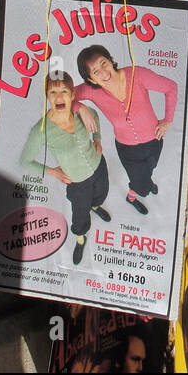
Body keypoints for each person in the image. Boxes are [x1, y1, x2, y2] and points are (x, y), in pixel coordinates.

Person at [19, 73, 111, 265]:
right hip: (77, 181)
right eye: (53, 92)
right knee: (79, 215)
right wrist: (54, 172)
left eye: (64, 91)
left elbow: (94, 116)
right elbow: (25, 161)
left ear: (72, 95)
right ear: (47, 95)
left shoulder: (80, 112)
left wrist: (97, 139)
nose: (59, 97)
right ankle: (80, 238)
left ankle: (95, 206)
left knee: (102, 193)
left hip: (98, 164)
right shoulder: (41, 131)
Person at [73, 46, 177, 216]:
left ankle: (145, 181)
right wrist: (81, 108)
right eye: (95, 71)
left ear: (110, 60)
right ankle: (132, 197)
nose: (103, 72)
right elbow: (63, 95)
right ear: (91, 79)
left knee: (151, 167)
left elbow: (170, 87)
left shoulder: (137, 74)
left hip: (155, 138)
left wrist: (167, 121)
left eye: (103, 63)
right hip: (127, 148)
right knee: (140, 182)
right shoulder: (91, 90)